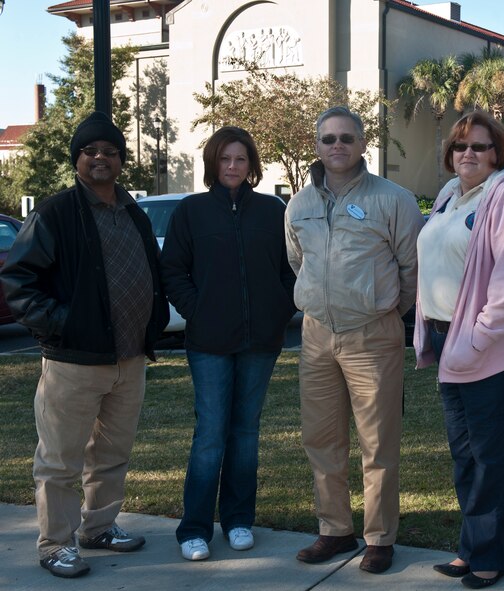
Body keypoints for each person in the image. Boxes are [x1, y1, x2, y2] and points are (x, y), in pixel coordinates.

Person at [0, 112, 169, 579]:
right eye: (90, 151)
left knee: (112, 454)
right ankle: (55, 544)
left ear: (120, 160)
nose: (100, 158)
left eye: (110, 151)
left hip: (129, 359)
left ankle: (99, 528)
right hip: (73, 361)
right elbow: (18, 280)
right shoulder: (55, 213)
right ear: (77, 159)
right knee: (59, 460)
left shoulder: (132, 210)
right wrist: (59, 324)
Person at [285, 105, 424, 574]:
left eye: (346, 137)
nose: (337, 146)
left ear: (363, 144)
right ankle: (334, 529)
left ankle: (380, 536)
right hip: (317, 335)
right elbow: (296, 261)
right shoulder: (299, 204)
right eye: (328, 139)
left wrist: (381, 311)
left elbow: (411, 271)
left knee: (377, 442)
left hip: (373, 335)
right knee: (321, 439)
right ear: (318, 146)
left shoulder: (395, 199)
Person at [413, 111, 504, 589]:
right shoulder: (448, 196)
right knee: (465, 455)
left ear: (497, 153)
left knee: (490, 456)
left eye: (480, 147)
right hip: (449, 339)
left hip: (492, 347)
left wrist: (478, 338)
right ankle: (472, 547)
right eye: (462, 146)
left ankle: (491, 555)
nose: (469, 154)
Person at [161, 126, 296, 561]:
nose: (233, 166)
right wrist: (197, 309)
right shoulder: (191, 212)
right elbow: (173, 272)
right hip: (208, 343)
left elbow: (290, 269)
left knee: (246, 434)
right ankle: (194, 528)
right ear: (212, 165)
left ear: (251, 165)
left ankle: (238, 520)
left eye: (240, 159)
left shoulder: (272, 210)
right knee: (210, 435)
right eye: (225, 159)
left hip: (261, 341)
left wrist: (278, 308)